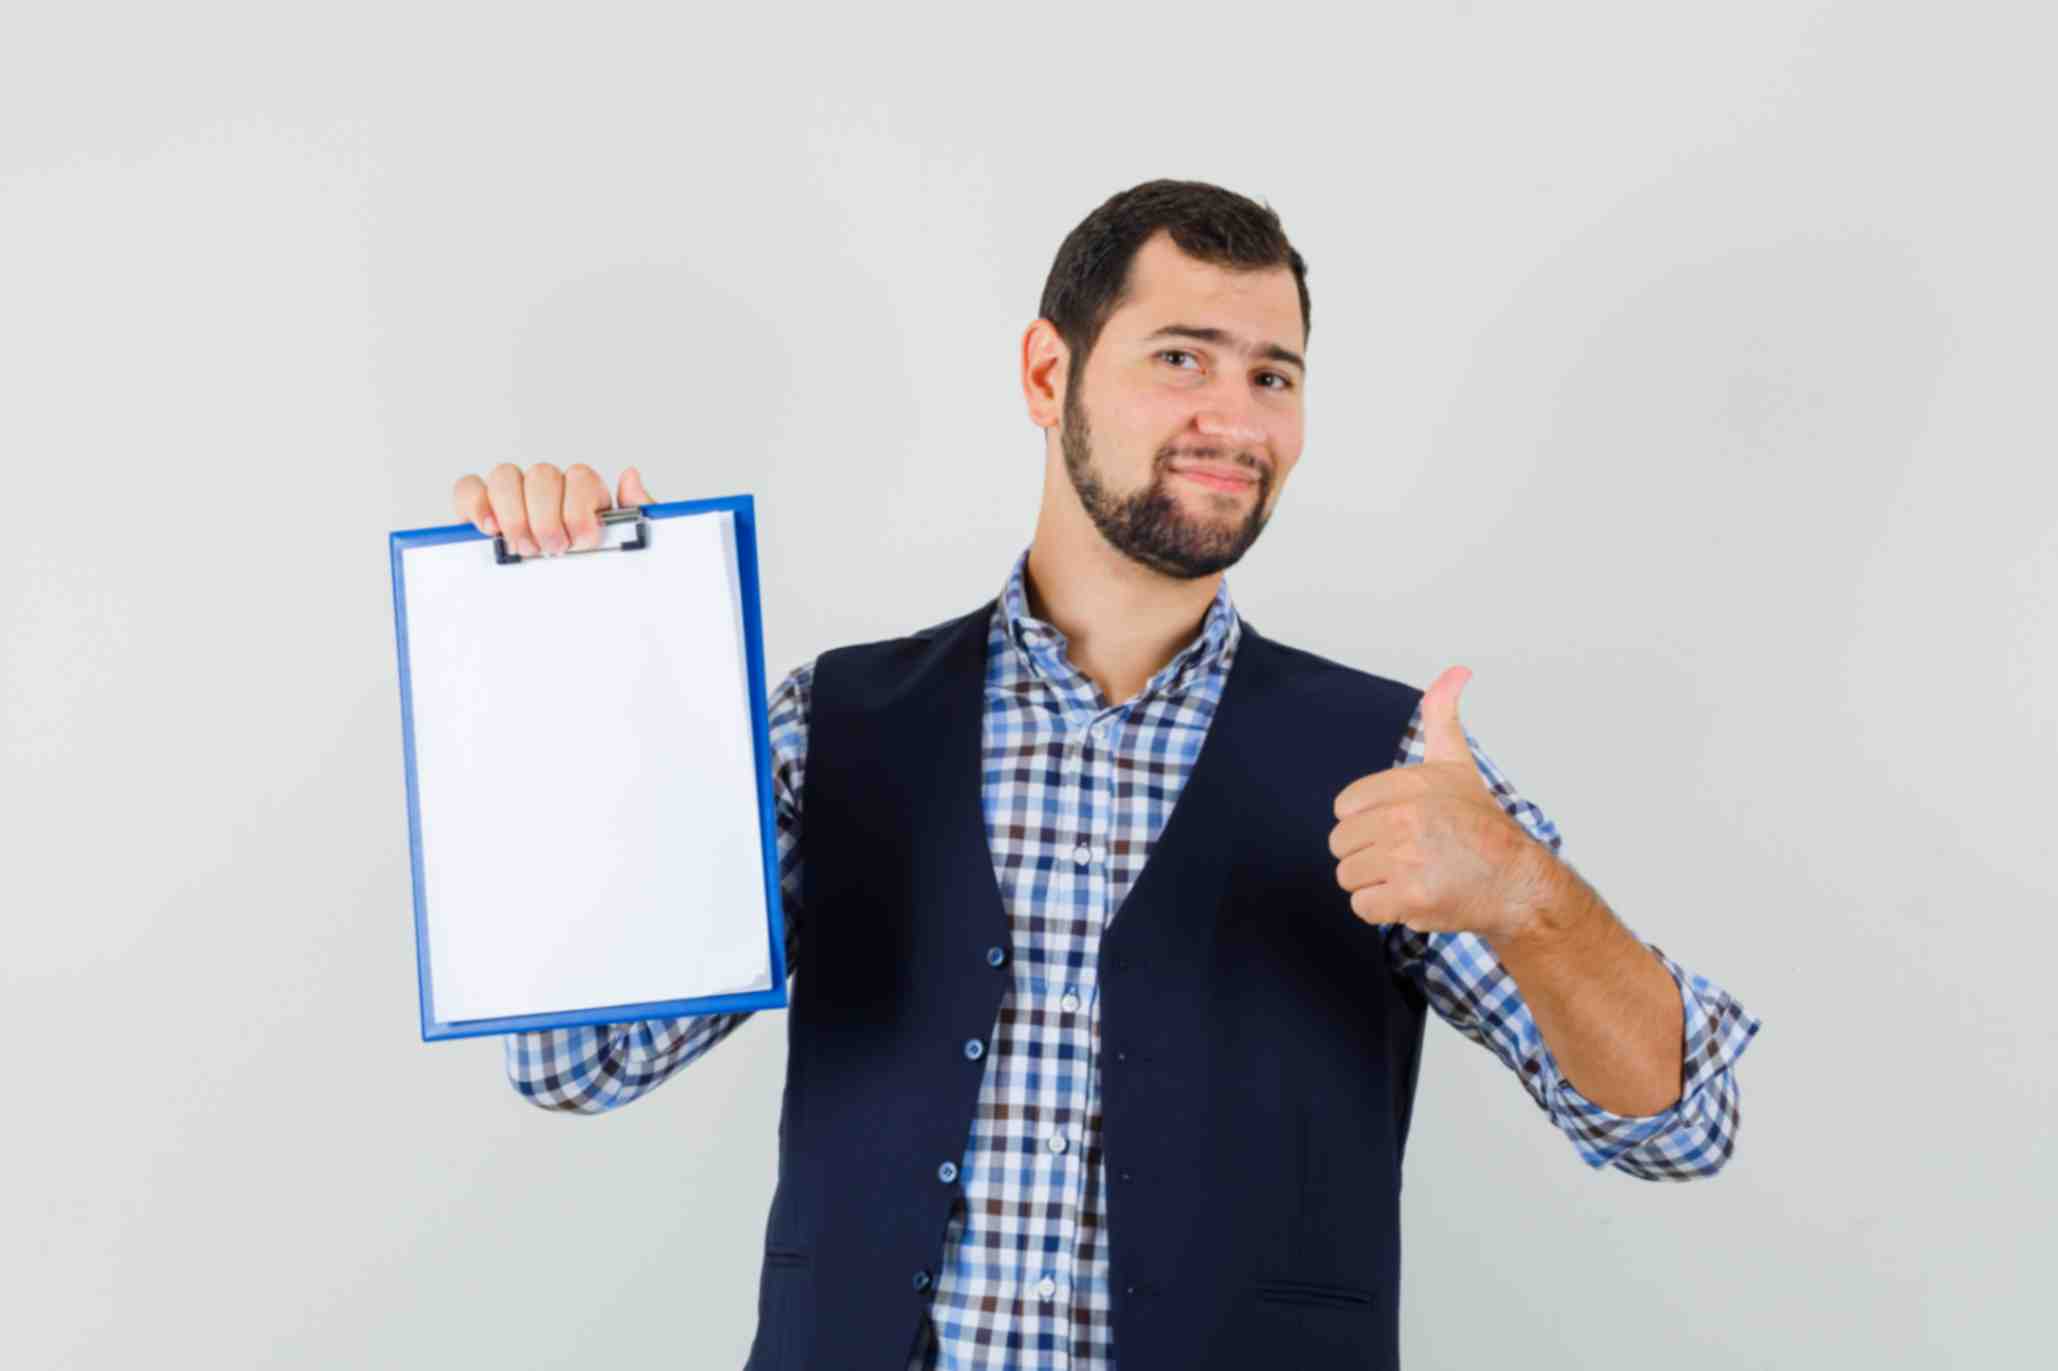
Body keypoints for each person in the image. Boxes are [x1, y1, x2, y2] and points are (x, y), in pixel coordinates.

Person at [450, 178, 1761, 1371]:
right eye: (1180, 358)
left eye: (1272, 376)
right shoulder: (831, 723)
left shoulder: (1392, 762)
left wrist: (1525, 896)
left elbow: (1673, 1124)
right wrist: (576, 658)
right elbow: (581, 1062)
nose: (1232, 418)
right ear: (1045, 370)